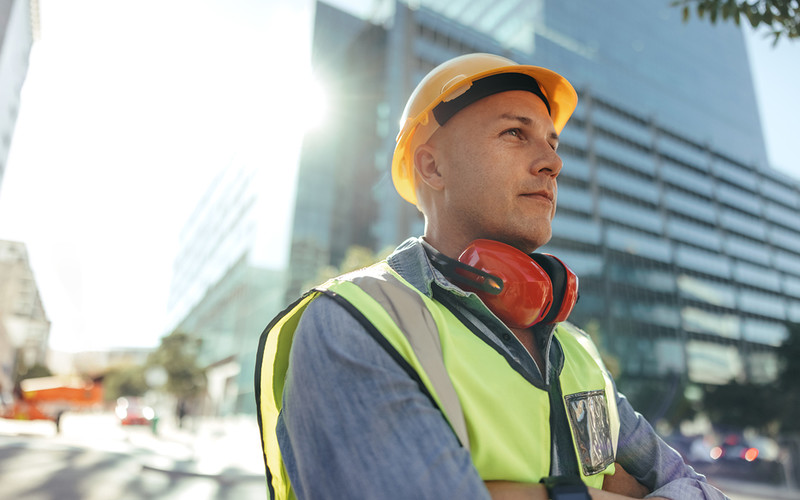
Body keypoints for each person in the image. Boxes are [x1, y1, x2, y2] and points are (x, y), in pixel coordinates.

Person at [255, 53, 729, 500]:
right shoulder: (353, 322)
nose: (553, 162)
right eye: (515, 134)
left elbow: (698, 489)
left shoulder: (577, 351)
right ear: (433, 165)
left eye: (552, 142)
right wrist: (610, 490)